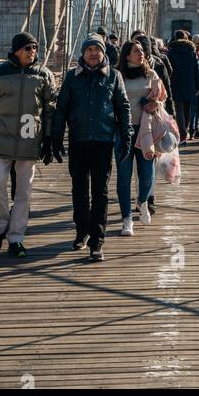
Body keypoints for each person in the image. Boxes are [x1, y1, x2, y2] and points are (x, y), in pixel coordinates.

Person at [0, 32, 55, 259]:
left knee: (23, 192)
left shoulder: (43, 75)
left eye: (35, 48)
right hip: (2, 139)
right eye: (28, 48)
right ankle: (0, 228)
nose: (33, 53)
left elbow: (49, 110)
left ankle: (16, 238)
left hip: (29, 140)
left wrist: (48, 139)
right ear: (17, 50)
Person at [52, 33, 131, 261]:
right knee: (79, 190)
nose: (94, 54)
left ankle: (97, 241)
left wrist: (126, 136)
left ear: (104, 53)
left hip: (103, 142)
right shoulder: (71, 77)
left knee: (100, 192)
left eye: (98, 50)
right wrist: (56, 137)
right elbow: (61, 109)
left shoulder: (114, 76)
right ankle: (81, 231)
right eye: (89, 50)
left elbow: (123, 108)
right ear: (83, 53)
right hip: (78, 141)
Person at [115, 40, 166, 235]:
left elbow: (162, 97)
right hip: (123, 131)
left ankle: (142, 201)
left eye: (142, 51)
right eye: (137, 51)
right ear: (127, 55)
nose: (142, 53)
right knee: (124, 176)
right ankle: (127, 219)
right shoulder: (118, 75)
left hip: (146, 130)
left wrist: (156, 104)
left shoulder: (151, 74)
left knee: (147, 176)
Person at [130, 30, 174, 219]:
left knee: (140, 166)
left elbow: (164, 92)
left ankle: (144, 198)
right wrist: (169, 115)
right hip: (149, 122)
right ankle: (147, 198)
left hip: (150, 122)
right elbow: (168, 90)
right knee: (150, 163)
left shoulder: (154, 69)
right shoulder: (160, 63)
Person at [166, 28, 199, 143]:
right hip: (190, 84)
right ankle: (184, 130)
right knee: (187, 109)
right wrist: (198, 86)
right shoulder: (192, 51)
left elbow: (168, 70)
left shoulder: (170, 52)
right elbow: (197, 70)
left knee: (179, 109)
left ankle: (182, 134)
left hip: (175, 83)